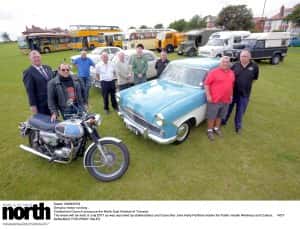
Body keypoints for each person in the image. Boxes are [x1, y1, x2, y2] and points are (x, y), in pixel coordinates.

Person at [222, 50, 259, 134]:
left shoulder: (254, 66)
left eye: (245, 56)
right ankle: (224, 121)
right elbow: (229, 76)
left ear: (249, 57)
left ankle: (238, 126)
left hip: (244, 94)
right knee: (228, 109)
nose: (243, 58)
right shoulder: (235, 65)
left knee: (240, 111)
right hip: (233, 93)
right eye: (242, 56)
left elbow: (254, 79)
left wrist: (246, 85)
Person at [204, 56, 235, 141]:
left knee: (220, 116)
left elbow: (231, 85)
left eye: (227, 62)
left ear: (229, 63)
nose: (225, 63)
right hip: (214, 99)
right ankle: (209, 130)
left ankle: (216, 128)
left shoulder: (232, 73)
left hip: (226, 99)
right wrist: (208, 95)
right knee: (211, 116)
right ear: (220, 63)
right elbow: (206, 84)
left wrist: (231, 95)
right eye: (223, 62)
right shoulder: (213, 72)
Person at [23, 50, 54, 115]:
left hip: (52, 103)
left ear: (40, 56)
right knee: (44, 123)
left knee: (55, 123)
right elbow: (30, 91)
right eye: (34, 57)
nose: (36, 59)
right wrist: (33, 106)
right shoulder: (28, 72)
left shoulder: (48, 67)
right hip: (41, 106)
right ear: (30, 59)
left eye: (37, 56)